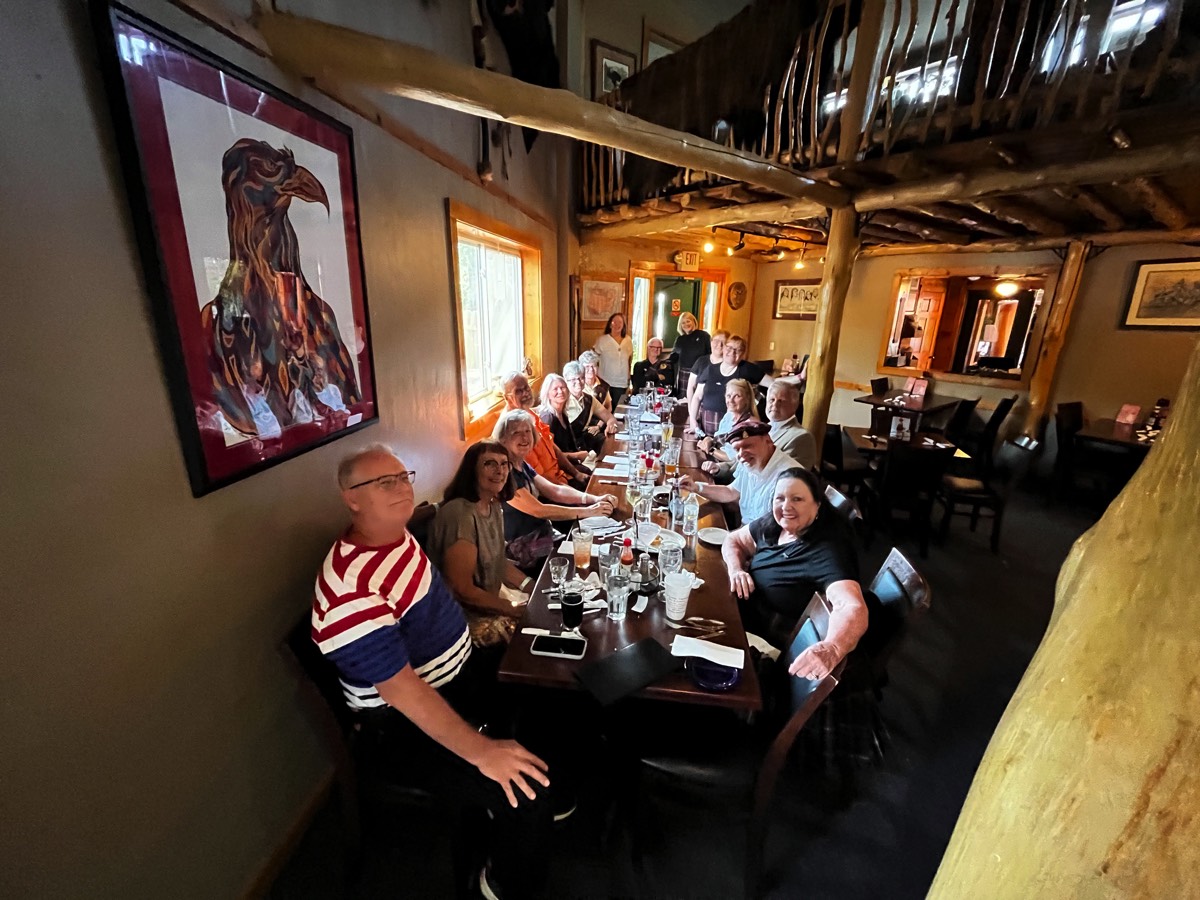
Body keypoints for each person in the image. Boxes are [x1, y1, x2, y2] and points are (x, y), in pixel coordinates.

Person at [312, 443, 551, 898]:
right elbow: (403, 691)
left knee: (547, 686)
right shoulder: (350, 590)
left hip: (458, 679)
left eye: (404, 477)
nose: (402, 488)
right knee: (526, 793)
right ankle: (502, 885)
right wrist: (482, 751)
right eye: (385, 482)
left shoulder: (397, 538)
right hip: (401, 725)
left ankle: (519, 814)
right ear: (352, 499)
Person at [720, 466, 868, 679]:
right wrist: (736, 570)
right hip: (738, 615)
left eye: (797, 499)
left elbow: (852, 606)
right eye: (780, 498)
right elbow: (733, 540)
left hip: (763, 646)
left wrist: (832, 648)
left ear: (817, 505)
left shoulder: (827, 551)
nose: (786, 506)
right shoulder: (776, 525)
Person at [430, 441, 533, 650]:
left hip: (488, 604)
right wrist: (515, 610)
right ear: (472, 470)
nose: (500, 471)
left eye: (504, 464)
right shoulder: (460, 515)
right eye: (489, 464)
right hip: (463, 619)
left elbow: (498, 563)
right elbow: (462, 590)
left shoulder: (492, 504)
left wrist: (533, 587)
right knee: (534, 634)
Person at [494, 409, 617, 570]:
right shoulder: (505, 472)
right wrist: (588, 512)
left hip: (543, 534)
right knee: (589, 559)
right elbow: (539, 510)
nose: (524, 437)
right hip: (524, 547)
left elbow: (554, 490)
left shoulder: (520, 463)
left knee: (598, 545)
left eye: (527, 431)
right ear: (503, 439)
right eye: (516, 432)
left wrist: (593, 499)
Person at [680, 420, 800, 525]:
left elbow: (784, 533)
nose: (742, 454)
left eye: (748, 446)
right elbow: (731, 492)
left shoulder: (791, 478)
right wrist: (696, 487)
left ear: (768, 441)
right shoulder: (749, 463)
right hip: (744, 537)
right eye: (737, 449)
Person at [499, 371, 588, 489]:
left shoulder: (529, 412)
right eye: (519, 391)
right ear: (507, 398)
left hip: (561, 477)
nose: (526, 393)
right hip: (548, 489)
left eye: (527, 388)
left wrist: (576, 474)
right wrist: (568, 491)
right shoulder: (512, 427)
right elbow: (537, 476)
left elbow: (553, 447)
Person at [689, 334, 775, 437]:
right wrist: (693, 421)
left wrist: (799, 378)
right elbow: (697, 397)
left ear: (743, 353)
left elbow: (774, 384)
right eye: (729, 348)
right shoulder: (710, 369)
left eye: (737, 350)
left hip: (734, 429)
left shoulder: (748, 369)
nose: (732, 352)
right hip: (706, 427)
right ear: (724, 348)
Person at [698, 378, 760, 478]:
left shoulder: (749, 426)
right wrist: (708, 440)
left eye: (737, 396)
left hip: (727, 473)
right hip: (713, 463)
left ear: (747, 399)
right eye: (728, 395)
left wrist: (711, 450)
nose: (731, 400)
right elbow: (717, 437)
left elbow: (733, 459)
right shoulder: (729, 415)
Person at [562, 360, 618, 453]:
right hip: (567, 448)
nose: (578, 382)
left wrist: (611, 424)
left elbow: (610, 417)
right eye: (573, 379)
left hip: (585, 444)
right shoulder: (562, 400)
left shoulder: (589, 400)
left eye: (581, 378)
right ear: (565, 381)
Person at [537, 373, 591, 463]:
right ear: (548, 394)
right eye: (555, 389)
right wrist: (577, 455)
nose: (560, 391)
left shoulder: (563, 414)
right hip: (559, 468)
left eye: (562, 388)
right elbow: (549, 453)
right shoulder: (548, 418)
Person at [764, 380, 816, 470]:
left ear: (794, 406)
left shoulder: (802, 437)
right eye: (772, 400)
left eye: (781, 401)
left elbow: (792, 476)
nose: (775, 405)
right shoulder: (761, 428)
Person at [593, 313, 632, 407]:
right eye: (614, 322)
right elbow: (593, 359)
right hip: (606, 382)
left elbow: (629, 360)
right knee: (606, 410)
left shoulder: (628, 340)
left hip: (621, 383)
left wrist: (628, 379)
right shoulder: (602, 340)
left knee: (619, 411)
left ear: (623, 325)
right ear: (610, 324)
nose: (617, 324)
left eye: (620, 322)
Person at [685, 329, 727, 416]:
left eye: (724, 341)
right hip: (699, 410)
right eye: (716, 341)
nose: (719, 345)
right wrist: (691, 412)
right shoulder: (701, 361)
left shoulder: (729, 364)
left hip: (723, 412)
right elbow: (690, 387)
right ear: (711, 342)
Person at [672, 312, 710, 396]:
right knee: (683, 399)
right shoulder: (680, 339)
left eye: (688, 321)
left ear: (693, 321)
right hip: (684, 374)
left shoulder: (704, 336)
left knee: (699, 398)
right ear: (680, 325)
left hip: (700, 373)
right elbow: (674, 356)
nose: (686, 324)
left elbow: (710, 355)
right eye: (683, 323)